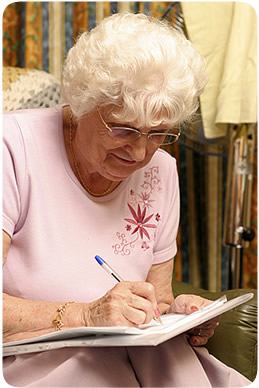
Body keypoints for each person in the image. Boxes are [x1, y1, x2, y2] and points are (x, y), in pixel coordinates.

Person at [3, 12, 250, 387]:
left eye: (158, 133)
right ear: (83, 102)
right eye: (124, 128)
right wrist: (87, 315)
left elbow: (159, 298)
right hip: (37, 358)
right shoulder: (12, 148)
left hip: (142, 357)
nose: (139, 153)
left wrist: (176, 315)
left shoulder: (162, 172)